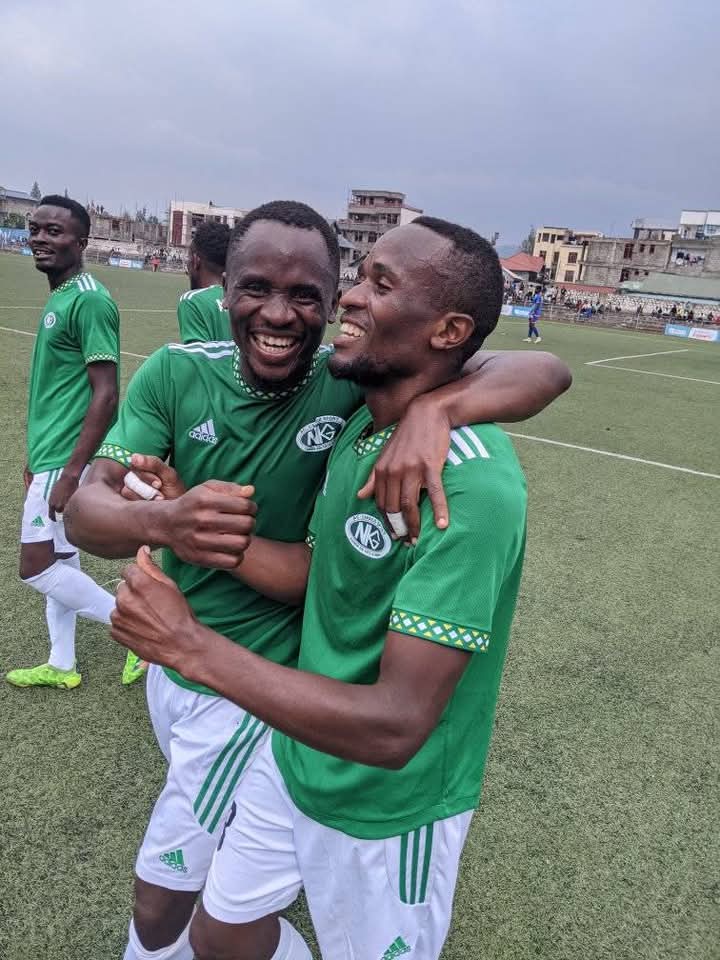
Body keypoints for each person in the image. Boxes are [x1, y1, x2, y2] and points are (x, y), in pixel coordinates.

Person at [66, 201, 570, 960]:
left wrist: (190, 643)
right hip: (298, 746)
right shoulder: (361, 421)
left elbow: (397, 725)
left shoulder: (459, 480)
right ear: (223, 291)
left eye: (374, 285)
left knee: (169, 896)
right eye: (359, 280)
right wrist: (180, 525)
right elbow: (319, 571)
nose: (346, 302)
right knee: (221, 932)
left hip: (370, 784)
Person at [5, 196, 124, 691]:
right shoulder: (62, 294)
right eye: (36, 229)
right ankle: (62, 664)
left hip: (65, 458)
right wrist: (36, 460)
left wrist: (72, 471)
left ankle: (139, 632)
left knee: (34, 568)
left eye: (54, 231)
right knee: (60, 560)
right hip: (50, 455)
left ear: (82, 241)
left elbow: (107, 393)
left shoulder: (89, 299)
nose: (40, 238)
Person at [178, 222, 231, 342]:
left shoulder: (192, 301)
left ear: (196, 261)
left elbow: (197, 353)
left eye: (188, 258)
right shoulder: (241, 298)